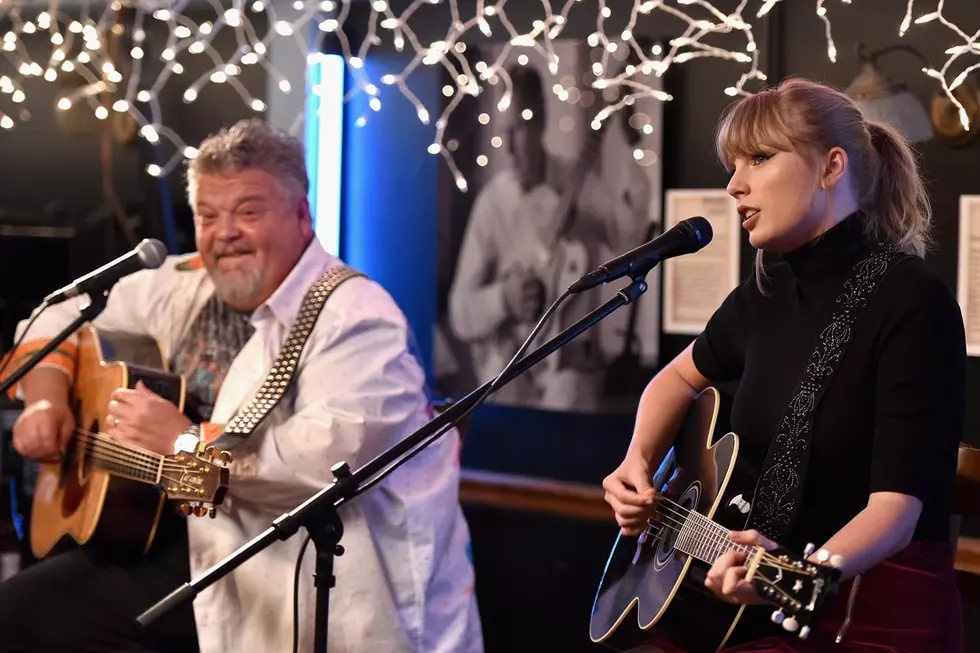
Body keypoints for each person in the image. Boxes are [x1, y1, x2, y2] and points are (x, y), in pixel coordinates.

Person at [0, 119, 484, 653]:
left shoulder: (357, 319)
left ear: (302, 216)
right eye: (208, 215)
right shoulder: (183, 285)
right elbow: (57, 313)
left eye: (248, 212)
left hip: (300, 578)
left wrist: (183, 443)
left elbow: (326, 462)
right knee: (24, 611)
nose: (223, 232)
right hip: (190, 548)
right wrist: (45, 400)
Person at [602, 77, 965, 652]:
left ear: (831, 167)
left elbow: (895, 511)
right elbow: (674, 378)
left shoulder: (912, 302)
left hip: (869, 612)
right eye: (732, 164)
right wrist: (636, 462)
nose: (733, 185)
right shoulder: (764, 293)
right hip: (748, 608)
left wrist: (805, 572)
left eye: (760, 158)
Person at [447, 62, 651, 412]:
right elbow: (460, 313)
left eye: (519, 130)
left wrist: (633, 145)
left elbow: (629, 237)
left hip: (569, 385)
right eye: (504, 132)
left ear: (540, 121)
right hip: (506, 384)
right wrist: (504, 299)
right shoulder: (492, 204)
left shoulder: (578, 183)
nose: (509, 148)